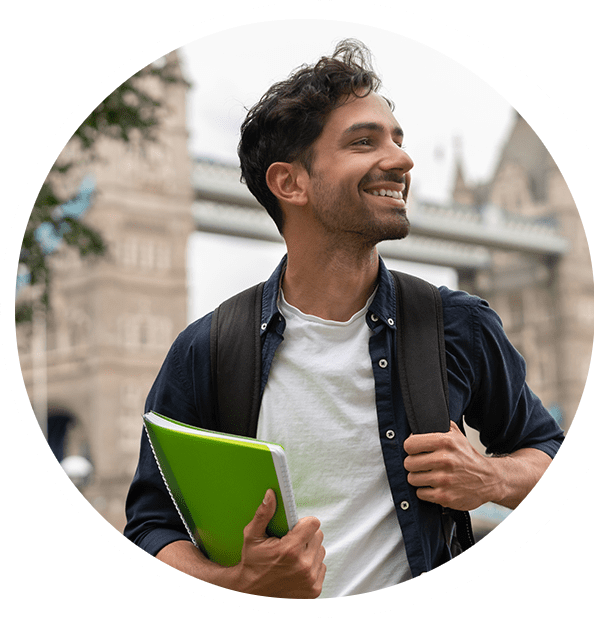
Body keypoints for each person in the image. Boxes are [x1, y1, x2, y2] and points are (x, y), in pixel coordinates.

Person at [124, 39, 564, 598]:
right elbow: (148, 528)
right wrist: (234, 581)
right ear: (291, 183)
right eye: (364, 141)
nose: (402, 160)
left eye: (398, 140)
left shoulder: (457, 325)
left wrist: (491, 478)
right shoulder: (206, 348)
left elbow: (554, 459)